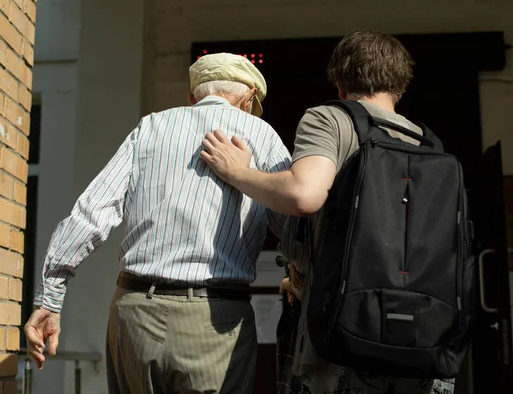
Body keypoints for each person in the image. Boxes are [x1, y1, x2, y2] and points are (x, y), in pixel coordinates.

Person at [200, 30, 456, 394]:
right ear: (401, 85)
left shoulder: (330, 120)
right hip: (422, 336)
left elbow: (304, 196)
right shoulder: (427, 142)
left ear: (340, 83)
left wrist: (237, 172)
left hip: (346, 336)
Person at [24, 52, 292, 394]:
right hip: (216, 319)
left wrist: (50, 299)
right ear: (249, 97)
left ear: (192, 97)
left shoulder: (150, 127)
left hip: (134, 314)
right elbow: (294, 227)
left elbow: (90, 212)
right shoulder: (261, 134)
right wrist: (300, 273)